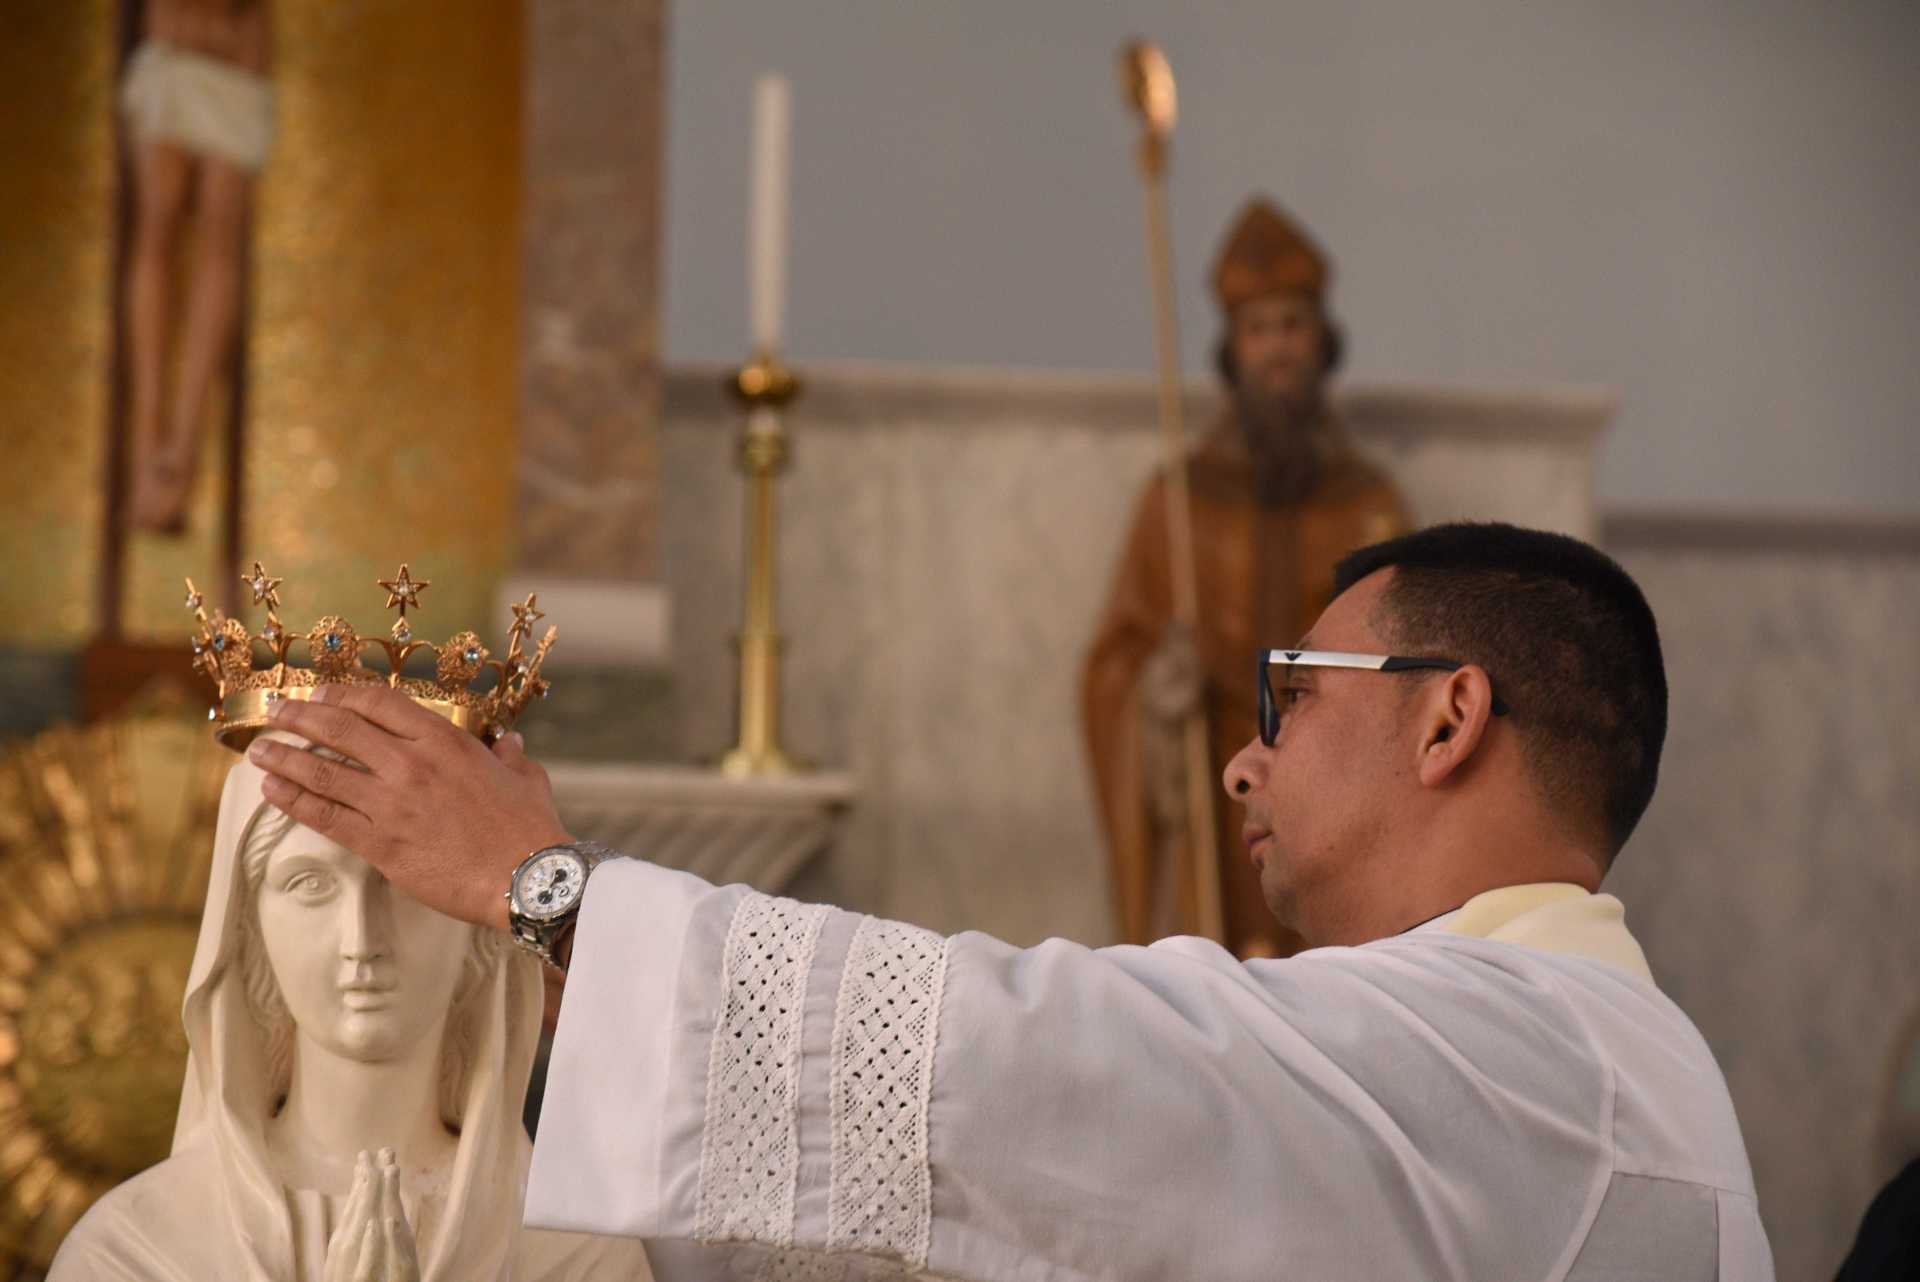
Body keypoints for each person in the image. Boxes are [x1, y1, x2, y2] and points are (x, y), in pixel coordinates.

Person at [248, 523, 1774, 1280]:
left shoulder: (1530, 1056)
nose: (1243, 767)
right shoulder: (1561, 1046)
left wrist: (550, 890)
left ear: (1449, 720)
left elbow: (1047, 1054)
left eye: (1287, 700)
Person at [50, 732, 651, 1280]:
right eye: (310, 884)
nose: (361, 942)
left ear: (476, 930)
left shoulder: (574, 1254)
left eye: (405, 885)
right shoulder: (135, 1250)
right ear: (249, 928)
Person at [1084, 197, 1407, 958]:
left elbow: (1407, 665)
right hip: (1212, 789)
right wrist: (1158, 692)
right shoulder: (1178, 501)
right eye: (1258, 330)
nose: (1277, 349)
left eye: (1293, 326)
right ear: (1232, 350)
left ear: (1323, 342)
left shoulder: (1371, 505)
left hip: (1331, 787)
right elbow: (1112, 667)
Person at [119, 0, 275, 533]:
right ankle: (151, 448)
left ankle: (179, 448)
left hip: (234, 51)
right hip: (177, 42)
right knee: (160, 223)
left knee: (216, 233)